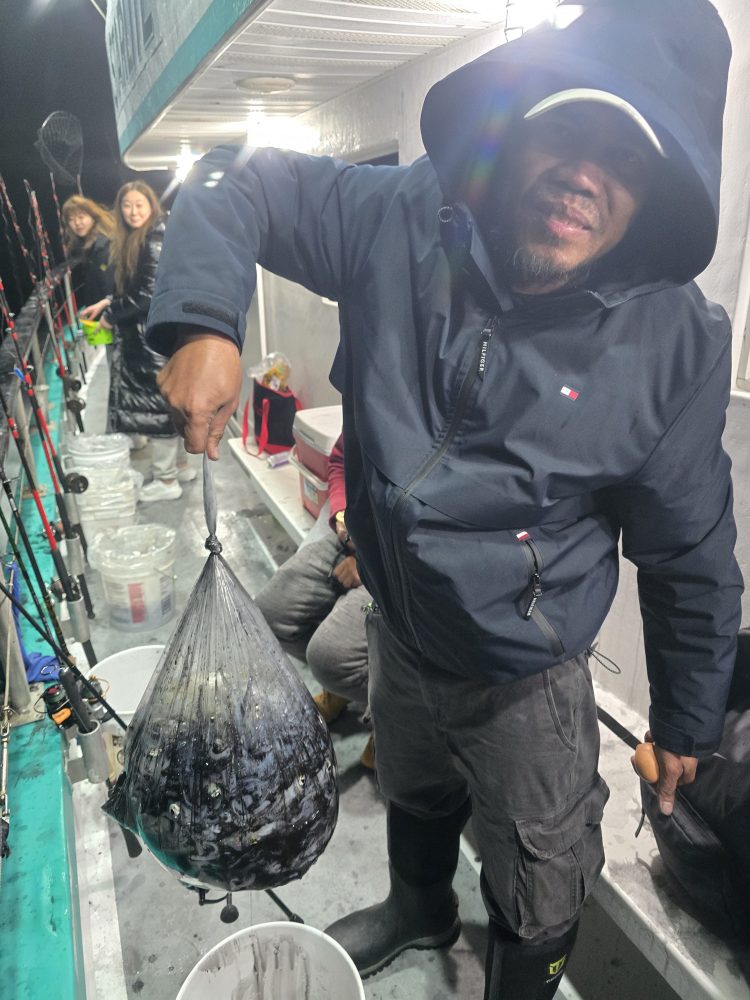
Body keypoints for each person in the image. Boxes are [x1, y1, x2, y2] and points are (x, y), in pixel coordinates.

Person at [146, 2, 743, 996]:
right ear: (521, 122)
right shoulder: (399, 216)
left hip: (524, 675)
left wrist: (685, 715)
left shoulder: (675, 345)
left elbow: (691, 553)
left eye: (626, 159)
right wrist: (202, 320)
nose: (585, 176)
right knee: (413, 784)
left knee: (541, 868)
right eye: (570, 128)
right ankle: (418, 906)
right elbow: (228, 178)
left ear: (657, 192)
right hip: (399, 622)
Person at [253, 433, 374, 768]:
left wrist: (373, 559)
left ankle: (393, 715)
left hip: (403, 556)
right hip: (355, 534)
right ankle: (347, 688)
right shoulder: (368, 402)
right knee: (269, 615)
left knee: (329, 658)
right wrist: (343, 513)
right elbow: (341, 460)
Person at [97, 181, 193, 500]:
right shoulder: (148, 235)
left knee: (158, 404)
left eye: (139, 204)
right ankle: (180, 466)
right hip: (157, 331)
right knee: (169, 400)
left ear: (152, 205)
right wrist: (110, 302)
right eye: (126, 205)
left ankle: (166, 481)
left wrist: (112, 314)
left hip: (151, 335)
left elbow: (148, 293)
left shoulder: (153, 238)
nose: (133, 211)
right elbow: (137, 287)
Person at [61, 195, 115, 310]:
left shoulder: (103, 247)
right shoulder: (88, 246)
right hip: (97, 311)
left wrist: (108, 315)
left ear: (93, 217)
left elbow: (110, 287)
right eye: (71, 219)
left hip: (105, 314)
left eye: (81, 217)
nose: (77, 223)